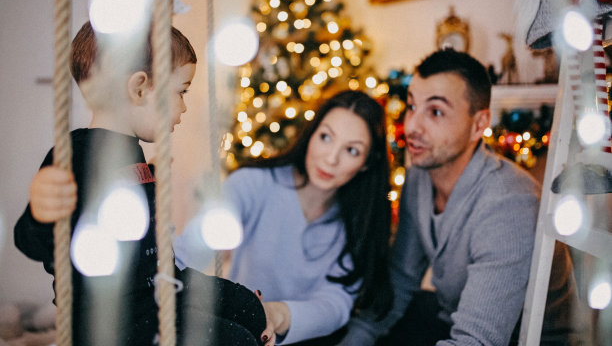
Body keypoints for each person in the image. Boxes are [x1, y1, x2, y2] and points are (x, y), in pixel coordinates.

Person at [14, 21, 267, 346]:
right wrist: (40, 212)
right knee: (238, 340)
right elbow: (34, 242)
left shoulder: (130, 151)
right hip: (115, 317)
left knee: (249, 309)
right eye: (181, 91)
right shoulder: (78, 153)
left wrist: (152, 177)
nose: (184, 106)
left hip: (158, 286)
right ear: (139, 89)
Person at [337, 48, 579, 345]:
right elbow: (402, 278)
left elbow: (475, 340)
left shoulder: (510, 203)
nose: (412, 126)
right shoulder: (418, 177)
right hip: (451, 317)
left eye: (436, 111)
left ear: (478, 124)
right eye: (412, 106)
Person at [176, 89, 395, 345]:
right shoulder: (252, 184)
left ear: (367, 163)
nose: (331, 158)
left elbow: (336, 304)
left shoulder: (359, 221)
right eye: (326, 137)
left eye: (352, 151)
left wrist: (276, 313)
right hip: (241, 335)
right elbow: (193, 246)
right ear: (312, 134)